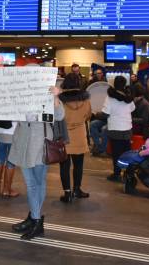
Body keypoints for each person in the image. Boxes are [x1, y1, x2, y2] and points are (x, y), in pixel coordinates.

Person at [9, 86, 64, 240]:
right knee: (31, 183)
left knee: (36, 183)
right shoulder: (19, 91)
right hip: (22, 140)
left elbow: (60, 115)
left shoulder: (47, 90)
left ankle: (36, 220)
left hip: (40, 142)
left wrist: (55, 97)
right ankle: (34, 218)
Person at [58, 73, 92, 203]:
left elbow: (57, 117)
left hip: (64, 136)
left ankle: (67, 193)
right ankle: (77, 190)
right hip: (80, 136)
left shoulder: (60, 100)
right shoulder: (85, 100)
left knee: (64, 166)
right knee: (78, 165)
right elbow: (88, 116)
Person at [95, 76, 135, 182]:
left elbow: (105, 114)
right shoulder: (128, 96)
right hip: (127, 128)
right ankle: (129, 173)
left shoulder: (110, 97)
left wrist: (96, 114)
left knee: (117, 153)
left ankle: (117, 174)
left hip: (115, 129)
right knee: (127, 153)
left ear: (114, 84)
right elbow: (133, 108)